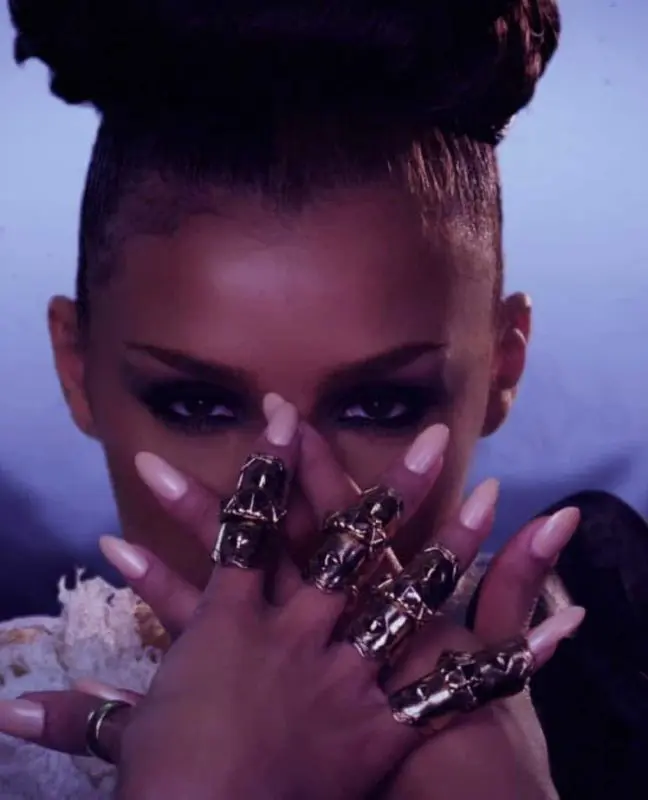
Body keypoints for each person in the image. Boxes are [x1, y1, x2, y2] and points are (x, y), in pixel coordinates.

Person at [0, 0, 582, 796]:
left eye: (379, 406)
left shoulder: (616, 674)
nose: (285, 510)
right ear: (77, 371)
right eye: (199, 406)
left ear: (504, 369)